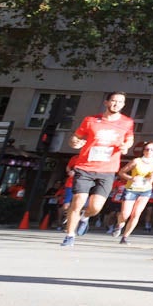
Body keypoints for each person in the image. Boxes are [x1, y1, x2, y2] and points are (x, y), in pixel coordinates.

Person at [59, 92, 135, 247]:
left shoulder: (127, 122)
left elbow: (130, 139)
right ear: (106, 102)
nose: (116, 104)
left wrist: (126, 146)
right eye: (113, 101)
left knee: (95, 207)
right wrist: (75, 143)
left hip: (107, 170)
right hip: (85, 167)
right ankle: (69, 236)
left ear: (124, 105)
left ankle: (85, 217)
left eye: (120, 102)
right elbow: (75, 138)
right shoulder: (91, 120)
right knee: (78, 201)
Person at [115, 142, 153, 244]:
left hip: (145, 190)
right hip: (131, 189)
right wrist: (131, 178)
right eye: (147, 149)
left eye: (152, 149)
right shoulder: (136, 161)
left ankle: (125, 237)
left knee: (136, 214)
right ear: (143, 150)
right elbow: (121, 172)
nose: (149, 151)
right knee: (125, 214)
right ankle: (119, 225)